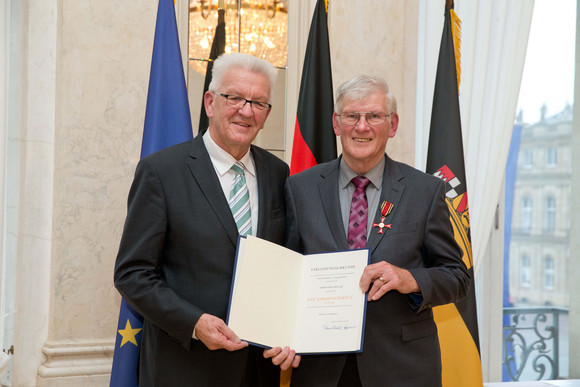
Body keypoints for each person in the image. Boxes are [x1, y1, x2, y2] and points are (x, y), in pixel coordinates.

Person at [266, 75, 470, 386]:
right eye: (352, 116)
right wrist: (281, 333)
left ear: (393, 124)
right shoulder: (300, 188)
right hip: (321, 368)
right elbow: (286, 276)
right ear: (336, 123)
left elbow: (457, 276)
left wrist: (409, 278)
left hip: (403, 368)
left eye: (374, 116)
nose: (362, 127)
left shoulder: (425, 191)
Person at [114, 52, 288, 386]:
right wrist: (194, 322)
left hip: (258, 369)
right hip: (184, 366)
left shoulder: (278, 174)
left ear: (266, 115)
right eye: (235, 97)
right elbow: (132, 274)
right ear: (210, 102)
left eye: (259, 103)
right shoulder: (161, 172)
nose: (246, 111)